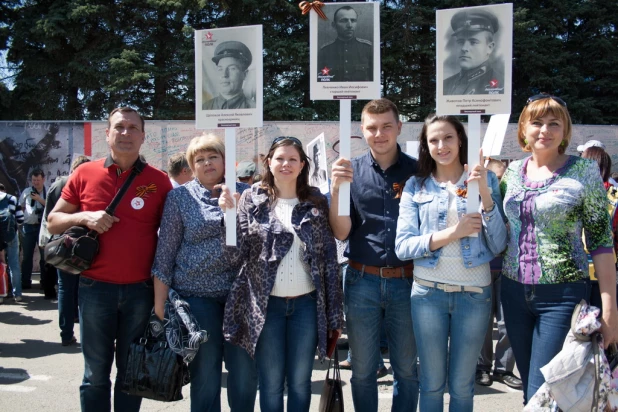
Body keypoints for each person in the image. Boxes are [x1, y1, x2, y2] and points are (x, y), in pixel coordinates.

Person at [47, 107, 172, 412]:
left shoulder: (159, 181)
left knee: (131, 376)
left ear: (143, 136)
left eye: (132, 128)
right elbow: (53, 221)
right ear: (107, 134)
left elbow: (172, 238)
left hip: (139, 292)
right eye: (119, 127)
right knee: (95, 376)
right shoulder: (84, 173)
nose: (125, 133)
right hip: (95, 290)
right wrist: (86, 216)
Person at [499, 94, 618, 403]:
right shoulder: (511, 172)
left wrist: (610, 308)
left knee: (545, 391)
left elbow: (602, 242)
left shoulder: (584, 172)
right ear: (523, 127)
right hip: (512, 292)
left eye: (554, 123)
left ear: (566, 131)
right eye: (537, 122)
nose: (545, 130)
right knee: (530, 389)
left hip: (562, 295)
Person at [220, 136, 343, 412]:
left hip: (306, 305)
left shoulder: (316, 201)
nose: (285, 164)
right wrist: (228, 217)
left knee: (300, 382)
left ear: (302, 165)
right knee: (271, 383)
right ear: (269, 163)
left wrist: (335, 312)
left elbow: (328, 259)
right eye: (280, 158)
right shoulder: (252, 199)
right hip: (267, 306)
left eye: (292, 159)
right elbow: (234, 255)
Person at [395, 115, 507, 411]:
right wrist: (451, 234)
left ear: (461, 140)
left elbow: (499, 244)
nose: (441, 145)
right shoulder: (416, 186)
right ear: (425, 145)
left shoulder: (487, 179)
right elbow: (403, 247)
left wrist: (483, 191)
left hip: (474, 294)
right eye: (433, 140)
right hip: (428, 294)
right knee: (430, 385)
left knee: (461, 386)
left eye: (448, 138)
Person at [152, 134, 257, 412]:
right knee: (206, 377)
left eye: (213, 157)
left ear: (225, 160)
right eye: (199, 159)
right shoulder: (179, 197)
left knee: (245, 375)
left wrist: (234, 213)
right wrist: (160, 306)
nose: (207, 163)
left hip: (241, 298)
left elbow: (258, 246)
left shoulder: (246, 195)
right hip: (197, 297)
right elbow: (165, 253)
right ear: (191, 166)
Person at [329, 98, 419, 412]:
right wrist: (337, 189)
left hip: (408, 281)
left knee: (406, 370)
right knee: (363, 371)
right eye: (371, 128)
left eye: (386, 127)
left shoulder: (419, 171)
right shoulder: (348, 171)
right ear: (362, 131)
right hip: (360, 280)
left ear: (398, 127)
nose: (378, 134)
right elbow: (341, 232)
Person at [475, 158, 523, 390]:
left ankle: (504, 368)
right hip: (481, 265)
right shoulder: (471, 192)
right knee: (482, 322)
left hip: (508, 265)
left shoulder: (512, 195)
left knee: (508, 322)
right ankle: (482, 367)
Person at [39, 155, 90, 346]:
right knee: (85, 290)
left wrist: (46, 242)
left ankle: (66, 333)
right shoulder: (87, 185)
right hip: (85, 246)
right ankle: (85, 334)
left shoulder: (58, 185)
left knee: (65, 289)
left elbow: (48, 218)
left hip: (63, 245)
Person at [443, 9, 504, 95]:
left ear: (489, 48)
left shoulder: (501, 84)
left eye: (473, 42)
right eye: (461, 42)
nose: (464, 48)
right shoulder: (446, 84)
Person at [317, 5, 373, 82]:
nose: (349, 25)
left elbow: (373, 80)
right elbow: (320, 81)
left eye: (353, 20)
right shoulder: (325, 51)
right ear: (334, 25)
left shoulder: (368, 49)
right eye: (344, 21)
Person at [203, 41, 255, 110]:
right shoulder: (205, 107)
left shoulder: (253, 108)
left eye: (232, 68)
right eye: (220, 69)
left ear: (245, 74)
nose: (224, 75)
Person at [19, 169, 47, 292]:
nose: (36, 182)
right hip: (28, 227)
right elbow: (20, 206)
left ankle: (45, 282)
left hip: (43, 227)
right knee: (27, 257)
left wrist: (39, 200)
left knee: (44, 257)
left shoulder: (49, 191)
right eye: (34, 180)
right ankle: (25, 282)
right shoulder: (26, 191)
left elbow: (53, 206)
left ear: (43, 179)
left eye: (38, 180)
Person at [0, 182, 23, 302]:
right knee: (14, 265)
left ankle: (1, 294)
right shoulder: (12, 199)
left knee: (0, 265)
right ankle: (17, 294)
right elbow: (20, 219)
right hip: (11, 235)